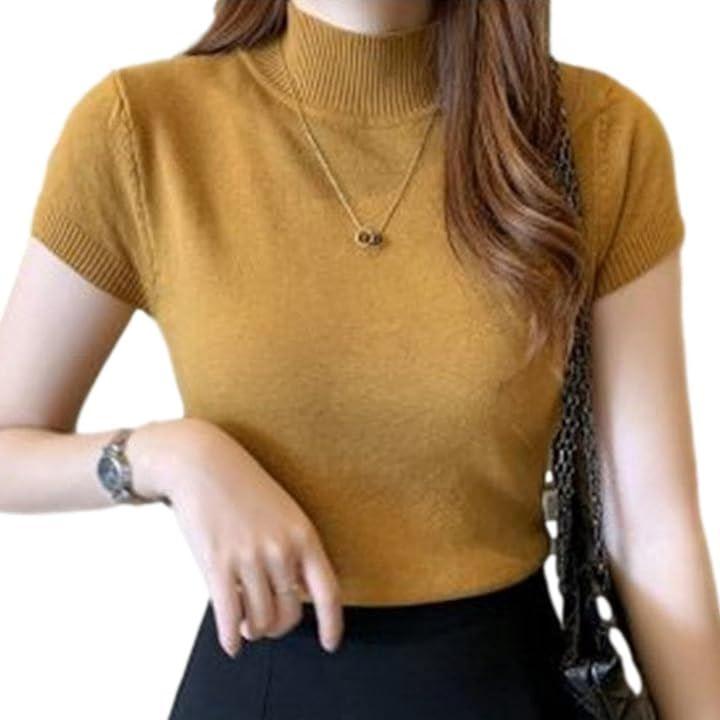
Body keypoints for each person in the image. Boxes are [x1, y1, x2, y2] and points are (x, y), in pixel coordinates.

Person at [1, 0, 719, 717]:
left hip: (508, 691)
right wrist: (168, 457)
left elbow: (651, 526)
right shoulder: (144, 130)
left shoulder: (596, 136)